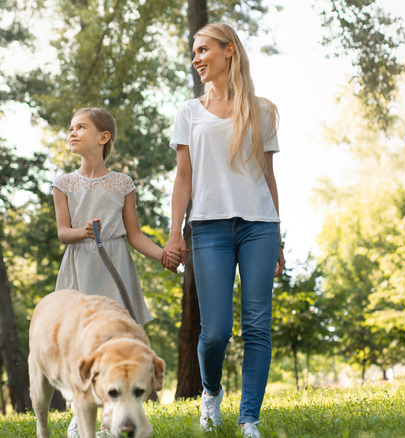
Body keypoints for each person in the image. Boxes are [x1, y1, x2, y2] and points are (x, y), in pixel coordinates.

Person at [164, 23, 285, 438]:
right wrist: (175, 232)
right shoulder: (189, 112)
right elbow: (183, 178)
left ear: (228, 51)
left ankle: (249, 418)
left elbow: (268, 176)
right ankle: (211, 393)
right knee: (215, 331)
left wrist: (278, 236)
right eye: (194, 52)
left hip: (259, 228)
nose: (196, 58)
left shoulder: (263, 110)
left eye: (203, 50)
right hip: (209, 227)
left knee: (257, 326)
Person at [52, 107, 179, 437]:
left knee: (118, 337)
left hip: (115, 267)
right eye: (71, 127)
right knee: (81, 341)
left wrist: (162, 254)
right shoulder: (63, 183)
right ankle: (81, 415)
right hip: (80, 265)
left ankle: (120, 412)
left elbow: (135, 235)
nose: (73, 132)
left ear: (103, 137)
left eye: (81, 127)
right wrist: (83, 232)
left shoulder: (122, 183)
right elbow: (62, 232)